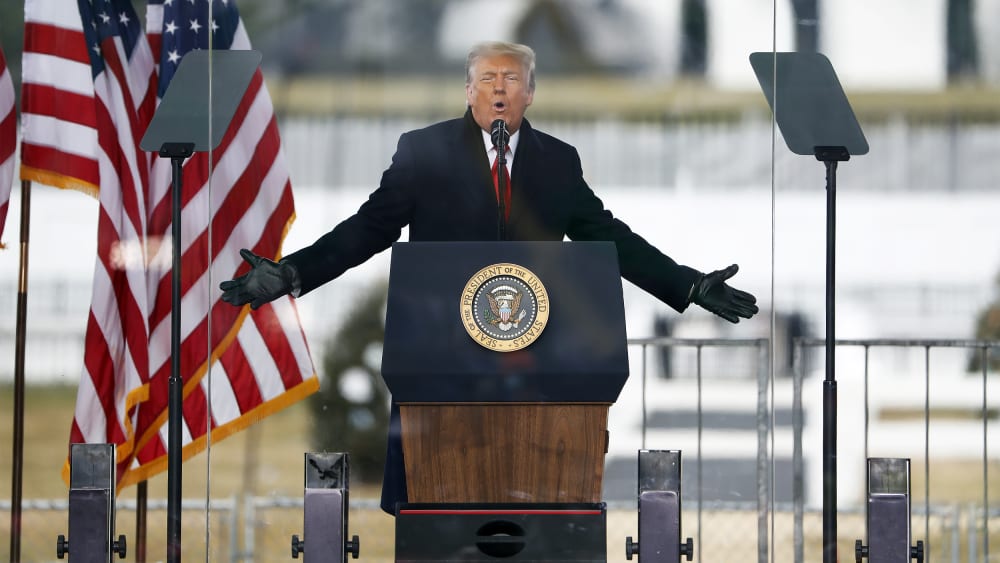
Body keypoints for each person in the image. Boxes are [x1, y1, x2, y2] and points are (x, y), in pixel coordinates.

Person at [220, 41, 758, 514]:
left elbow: (609, 237)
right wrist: (292, 271)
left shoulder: (557, 161)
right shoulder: (423, 152)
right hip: (439, 362)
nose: (499, 89)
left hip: (535, 369)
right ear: (468, 90)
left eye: (511, 79)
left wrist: (687, 285)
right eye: (487, 78)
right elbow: (368, 228)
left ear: (531, 93)